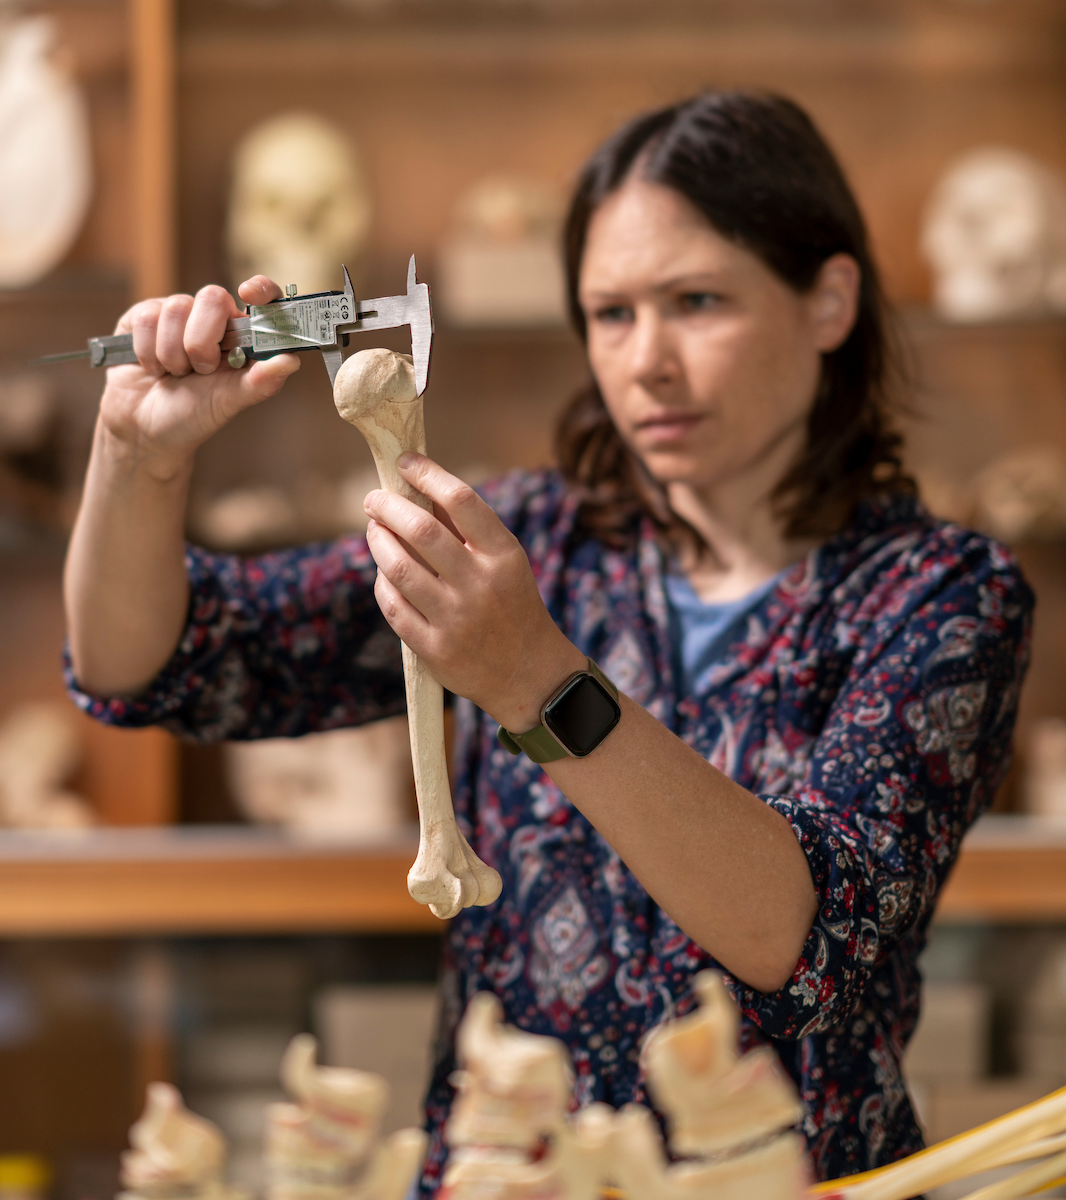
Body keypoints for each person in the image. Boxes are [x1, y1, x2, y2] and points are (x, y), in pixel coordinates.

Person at [64, 91, 1033, 1187]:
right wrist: (134, 461)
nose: (647, 361)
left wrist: (534, 679)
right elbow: (155, 663)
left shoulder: (940, 594)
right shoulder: (534, 544)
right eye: (611, 314)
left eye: (698, 301)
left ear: (830, 300)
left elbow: (800, 938)